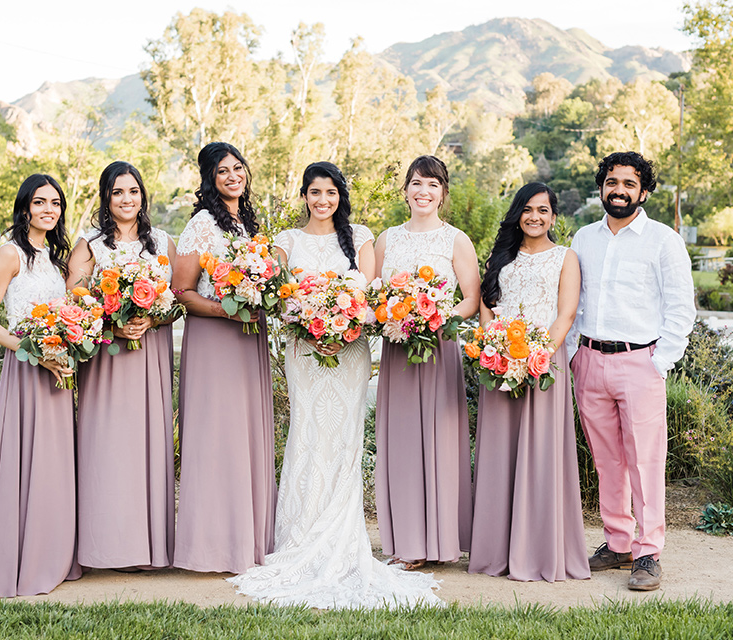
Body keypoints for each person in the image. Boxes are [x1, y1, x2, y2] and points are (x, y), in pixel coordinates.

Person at [228, 162, 441, 607]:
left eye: (330, 192)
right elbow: (281, 298)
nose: (323, 200)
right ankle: (300, 535)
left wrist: (339, 324)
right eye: (314, 192)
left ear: (340, 196)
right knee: (307, 434)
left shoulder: (361, 237)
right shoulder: (286, 241)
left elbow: (367, 296)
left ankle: (343, 539)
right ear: (303, 195)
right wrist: (310, 324)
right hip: (305, 353)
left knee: (343, 439)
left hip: (350, 351)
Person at [564, 151, 696, 591]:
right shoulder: (583, 238)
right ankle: (618, 543)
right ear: (601, 186)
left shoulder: (663, 240)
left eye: (629, 183)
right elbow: (573, 303)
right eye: (612, 181)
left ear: (643, 191)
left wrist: (660, 362)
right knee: (607, 461)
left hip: (641, 362)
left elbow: (681, 307)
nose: (619, 190)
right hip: (589, 361)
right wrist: (571, 357)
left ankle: (648, 551)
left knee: (644, 461)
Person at [468, 182, 589, 582]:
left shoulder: (565, 257)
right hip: (499, 365)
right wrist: (498, 353)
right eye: (527, 209)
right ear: (517, 214)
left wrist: (535, 357)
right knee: (499, 455)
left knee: (540, 456)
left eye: (543, 210)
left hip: (543, 368)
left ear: (554, 217)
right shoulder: (501, 258)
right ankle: (495, 552)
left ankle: (538, 552)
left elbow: (565, 315)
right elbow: (487, 309)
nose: (534, 217)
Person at [0, 174, 81, 597]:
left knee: (52, 466)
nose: (48, 210)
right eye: (40, 202)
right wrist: (32, 351)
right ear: (25, 208)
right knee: (23, 462)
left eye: (55, 203)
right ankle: (13, 562)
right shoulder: (10, 253)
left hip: (58, 371)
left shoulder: (55, 258)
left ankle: (48, 556)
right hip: (27, 368)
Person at [171, 142, 276, 574]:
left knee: (245, 437)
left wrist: (261, 298)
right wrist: (226, 308)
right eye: (222, 171)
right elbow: (182, 292)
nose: (233, 175)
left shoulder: (249, 222)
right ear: (209, 179)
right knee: (216, 438)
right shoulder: (201, 225)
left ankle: (247, 541)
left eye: (238, 167)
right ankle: (210, 547)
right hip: (215, 339)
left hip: (248, 340)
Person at [67, 160, 176, 571]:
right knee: (107, 444)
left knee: (146, 444)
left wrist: (153, 316)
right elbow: (75, 294)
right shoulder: (91, 244)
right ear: (106, 198)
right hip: (108, 357)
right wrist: (113, 317)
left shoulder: (163, 241)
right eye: (117, 193)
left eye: (133, 191)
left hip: (150, 356)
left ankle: (147, 549)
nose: (126, 199)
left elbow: (176, 300)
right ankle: (104, 547)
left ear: (142, 196)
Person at [373, 155, 480, 571]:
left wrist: (435, 314)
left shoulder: (456, 240)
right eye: (416, 183)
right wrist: (397, 314)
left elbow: (470, 300)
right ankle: (406, 541)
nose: (423, 191)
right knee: (399, 443)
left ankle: (438, 539)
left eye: (433, 185)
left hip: (439, 350)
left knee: (438, 442)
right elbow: (375, 296)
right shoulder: (387, 240)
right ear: (405, 191)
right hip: (399, 351)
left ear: (443, 193)